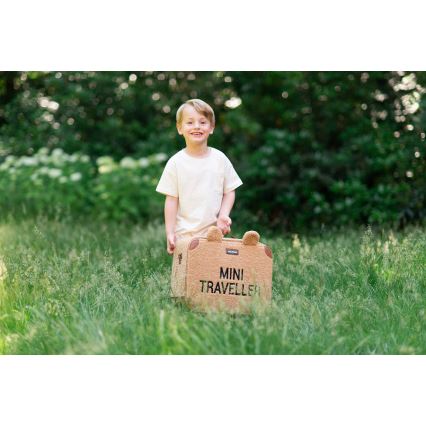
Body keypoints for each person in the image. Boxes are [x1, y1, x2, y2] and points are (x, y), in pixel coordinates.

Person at [156, 99, 243, 255]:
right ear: (179, 128)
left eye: (203, 122)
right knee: (187, 270)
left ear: (211, 127)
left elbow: (230, 190)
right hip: (184, 235)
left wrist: (223, 215)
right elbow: (171, 200)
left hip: (213, 234)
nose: (196, 126)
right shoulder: (175, 162)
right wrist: (170, 232)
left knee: (211, 268)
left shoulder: (220, 159)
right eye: (190, 122)